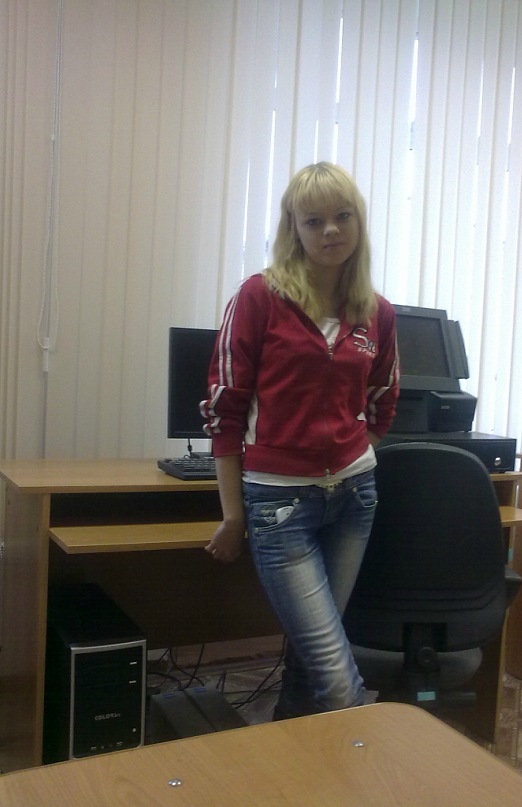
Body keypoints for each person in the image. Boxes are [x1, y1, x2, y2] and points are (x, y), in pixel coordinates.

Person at [200, 162, 399, 719]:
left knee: (311, 660)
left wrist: (347, 449)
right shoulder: (259, 297)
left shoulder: (376, 312)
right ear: (295, 229)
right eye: (314, 221)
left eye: (343, 217)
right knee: (336, 676)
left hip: (354, 497)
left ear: (358, 223)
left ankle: (287, 753)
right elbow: (224, 411)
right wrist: (234, 516)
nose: (331, 230)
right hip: (279, 503)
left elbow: (384, 400)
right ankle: (356, 759)